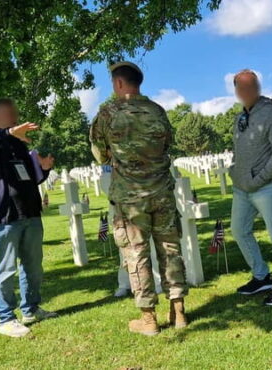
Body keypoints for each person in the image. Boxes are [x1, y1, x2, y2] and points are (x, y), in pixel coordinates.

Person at [90, 62, 188, 336]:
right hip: (161, 193)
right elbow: (167, 144)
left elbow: (100, 153)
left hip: (130, 198)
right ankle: (178, 311)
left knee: (137, 254)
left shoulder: (108, 113)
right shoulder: (157, 111)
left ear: (118, 84)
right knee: (170, 249)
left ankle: (148, 320)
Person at [0, 98, 57, 338]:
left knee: (33, 266)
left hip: (29, 212)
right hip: (2, 217)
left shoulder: (17, 145)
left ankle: (31, 308)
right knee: (5, 269)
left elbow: (30, 178)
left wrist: (44, 169)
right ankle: (6, 318)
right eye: (12, 115)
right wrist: (7, 133)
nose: (17, 119)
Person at [229, 69, 272, 306]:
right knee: (239, 230)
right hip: (242, 188)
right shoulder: (240, 118)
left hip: (267, 185)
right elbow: (239, 151)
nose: (247, 91)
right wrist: (234, 170)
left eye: (252, 86)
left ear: (258, 87)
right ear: (236, 91)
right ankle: (261, 275)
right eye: (242, 87)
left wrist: (261, 178)